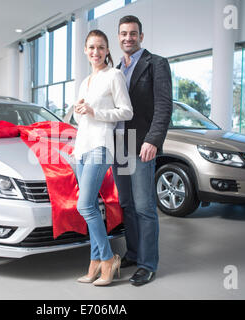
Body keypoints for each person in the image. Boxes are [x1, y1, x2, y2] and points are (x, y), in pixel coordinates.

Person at [113, 15, 173, 286]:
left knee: (144, 206)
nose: (128, 38)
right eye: (124, 33)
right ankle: (134, 252)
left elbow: (163, 106)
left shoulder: (156, 64)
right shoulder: (115, 69)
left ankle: (148, 264)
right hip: (119, 146)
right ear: (118, 37)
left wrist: (153, 140)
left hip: (141, 144)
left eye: (133, 33)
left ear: (141, 36)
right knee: (126, 204)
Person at [73, 29, 133, 286]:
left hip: (100, 146)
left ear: (107, 50)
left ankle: (108, 259)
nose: (95, 52)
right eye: (91, 48)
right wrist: (80, 111)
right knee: (92, 208)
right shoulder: (84, 82)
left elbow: (126, 112)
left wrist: (95, 111)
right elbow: (80, 118)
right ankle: (95, 262)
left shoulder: (114, 75)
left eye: (100, 47)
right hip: (80, 149)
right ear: (85, 51)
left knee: (84, 205)